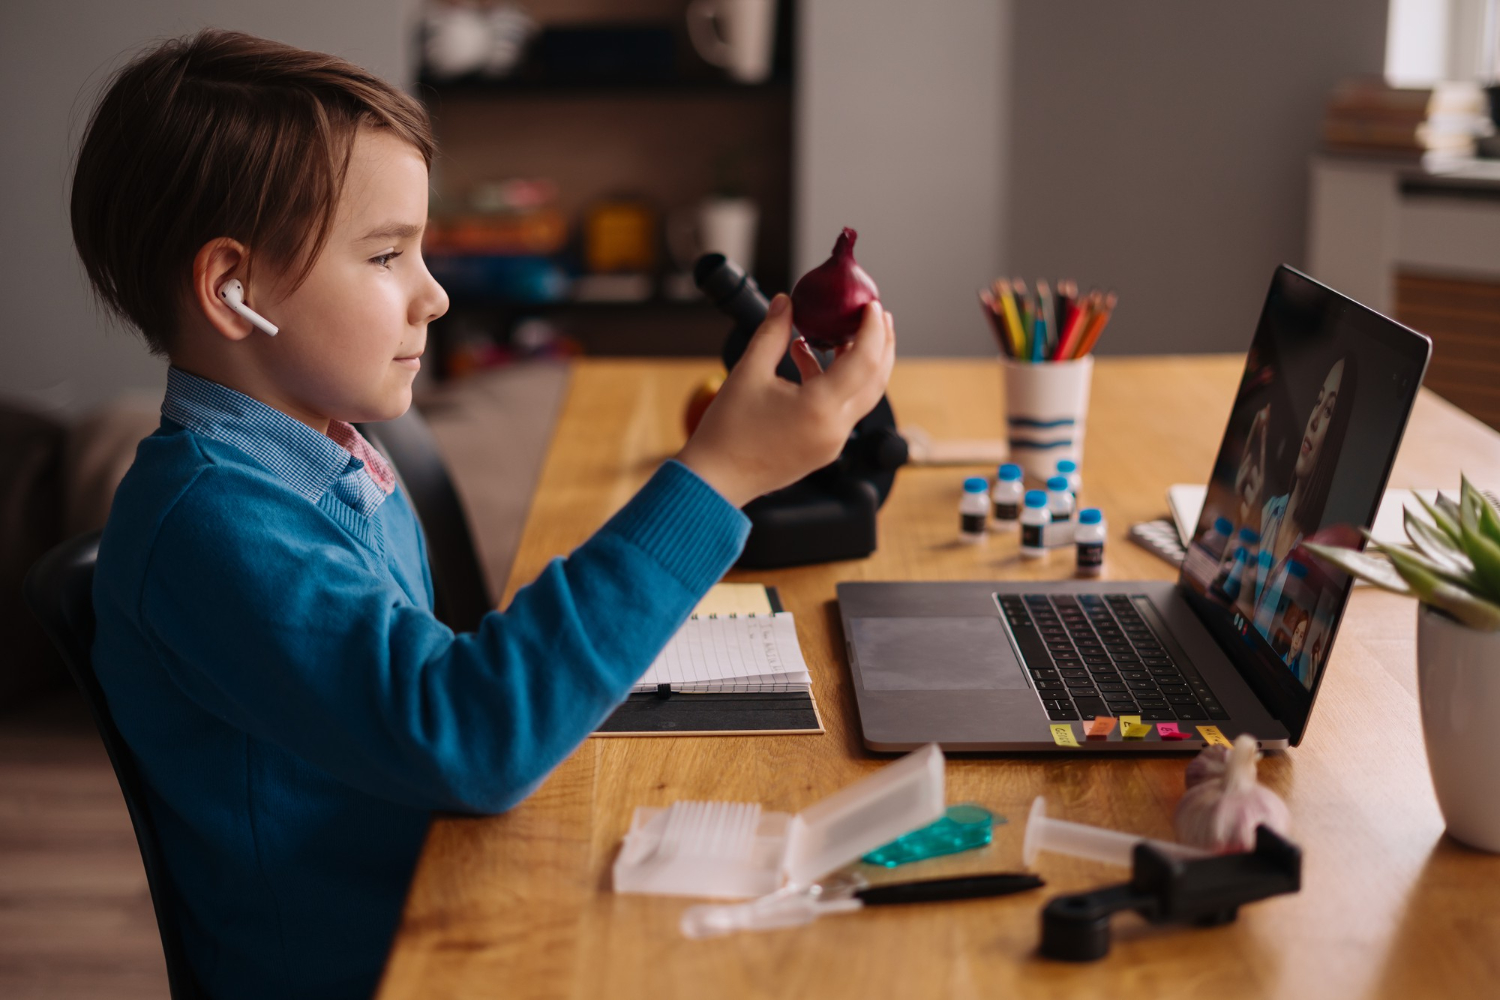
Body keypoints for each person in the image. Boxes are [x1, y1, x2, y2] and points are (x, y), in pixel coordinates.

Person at [70, 30, 895, 999]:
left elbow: (434, 699)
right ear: (231, 289)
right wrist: (718, 475)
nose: (434, 294)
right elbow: (466, 734)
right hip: (393, 967)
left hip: (451, 893)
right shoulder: (212, 526)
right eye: (387, 254)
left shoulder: (329, 450)